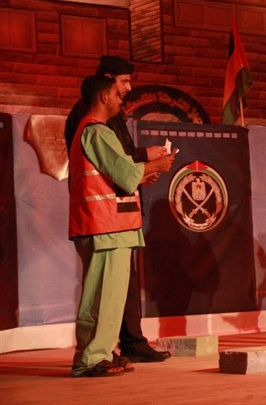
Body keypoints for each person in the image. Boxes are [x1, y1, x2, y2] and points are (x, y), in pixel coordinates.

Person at [65, 55, 171, 363]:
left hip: (112, 224)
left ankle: (100, 354)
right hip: (103, 224)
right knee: (104, 296)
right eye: (120, 87)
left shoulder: (98, 127)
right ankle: (94, 357)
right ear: (104, 93)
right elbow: (122, 171)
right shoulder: (94, 128)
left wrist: (141, 171)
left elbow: (117, 168)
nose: (124, 94)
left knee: (109, 295)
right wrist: (153, 165)